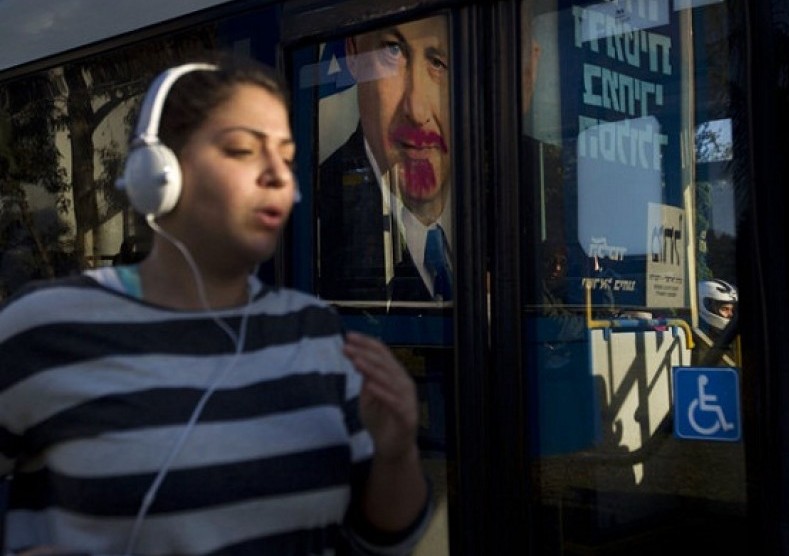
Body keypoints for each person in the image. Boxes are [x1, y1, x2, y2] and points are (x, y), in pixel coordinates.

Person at [0, 57, 431, 555]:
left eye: (288, 158)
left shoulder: (315, 332)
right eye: (243, 150)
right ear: (159, 173)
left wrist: (395, 453)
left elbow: (384, 540)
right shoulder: (47, 327)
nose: (277, 176)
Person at [318, 15, 453, 302]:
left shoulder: (503, 199)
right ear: (353, 52)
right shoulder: (314, 213)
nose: (417, 110)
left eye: (440, 63)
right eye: (392, 50)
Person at [693, 278, 739, 365]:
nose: (731, 315)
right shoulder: (694, 335)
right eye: (725, 309)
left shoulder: (734, 338)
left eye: (732, 310)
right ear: (706, 306)